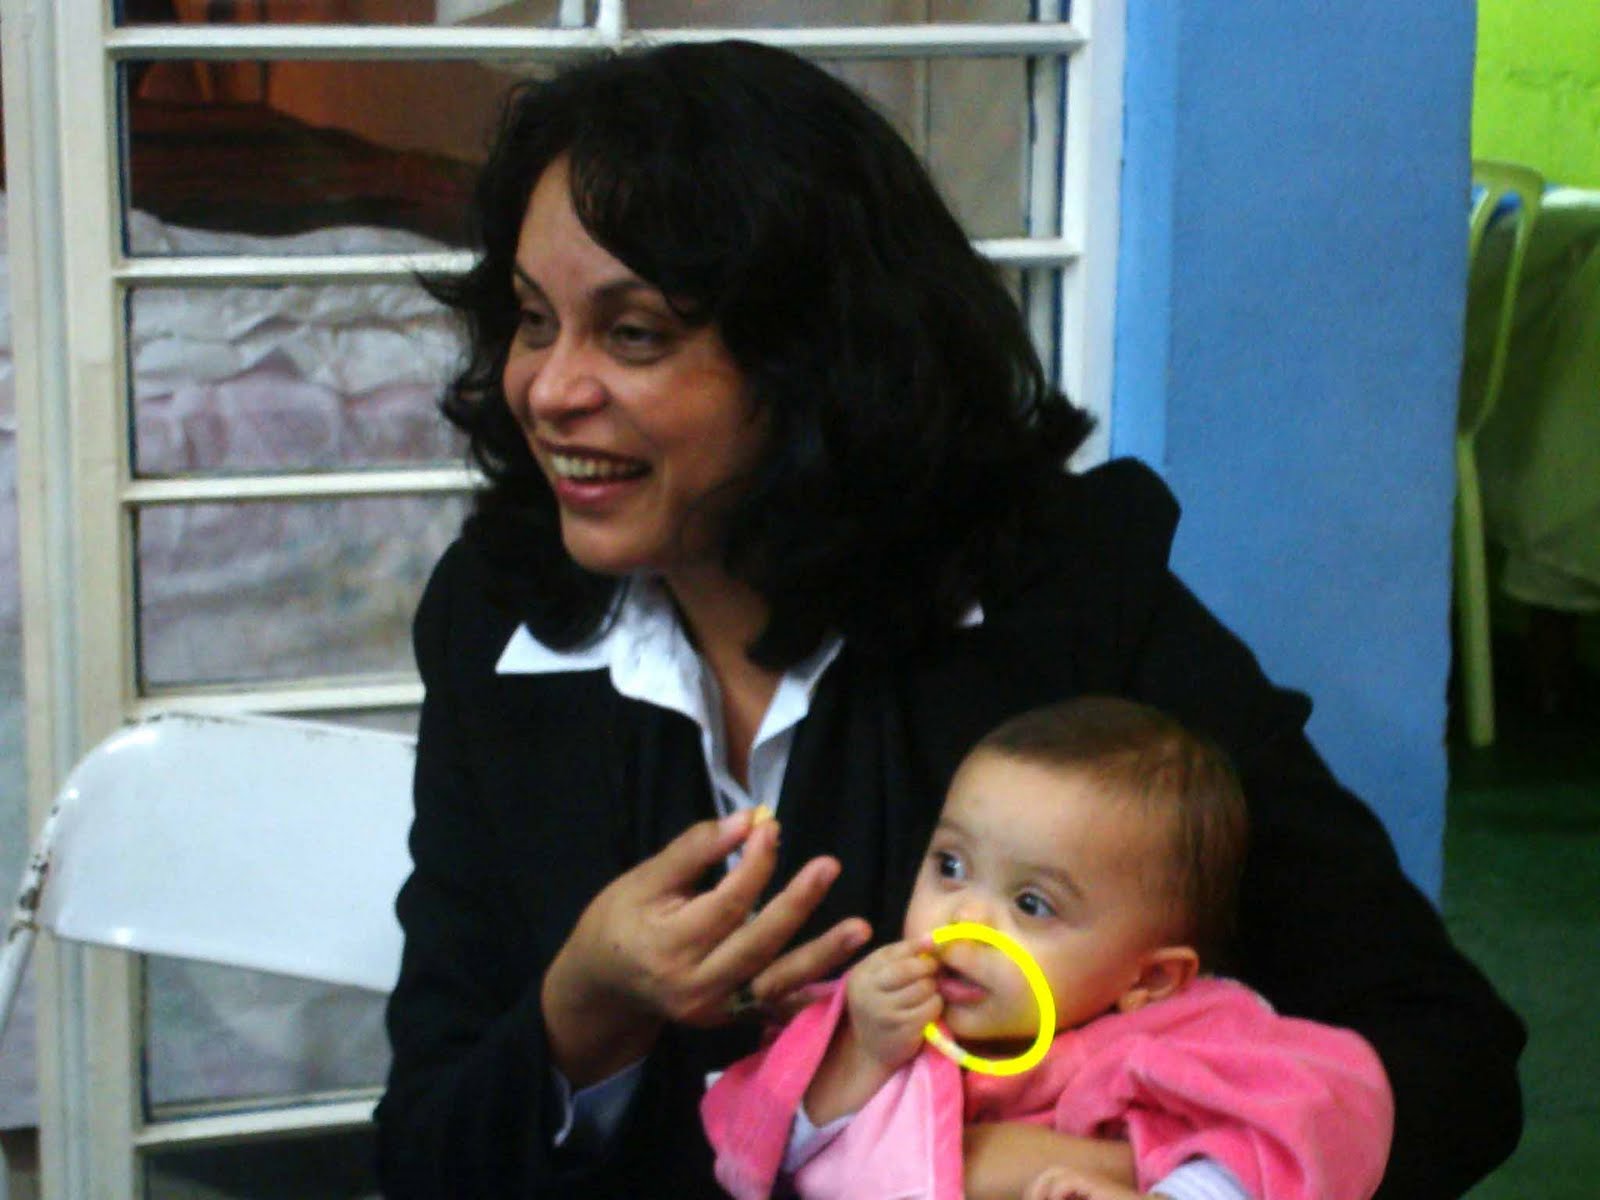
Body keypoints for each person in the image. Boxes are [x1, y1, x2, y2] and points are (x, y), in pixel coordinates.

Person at [374, 38, 1524, 1200]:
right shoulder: (499, 623)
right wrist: (583, 1010)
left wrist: (1068, 1169)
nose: (549, 389)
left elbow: (1444, 1055)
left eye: (634, 334)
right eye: (532, 321)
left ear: (813, 354)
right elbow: (426, 1160)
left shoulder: (1062, 603)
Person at [701, 697, 1393, 1200]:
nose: (965, 915)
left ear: (1150, 978)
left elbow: (1314, 1118)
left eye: (1031, 904)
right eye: (949, 866)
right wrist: (863, 1056)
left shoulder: (1179, 1040)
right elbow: (757, 1151)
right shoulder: (880, 1016)